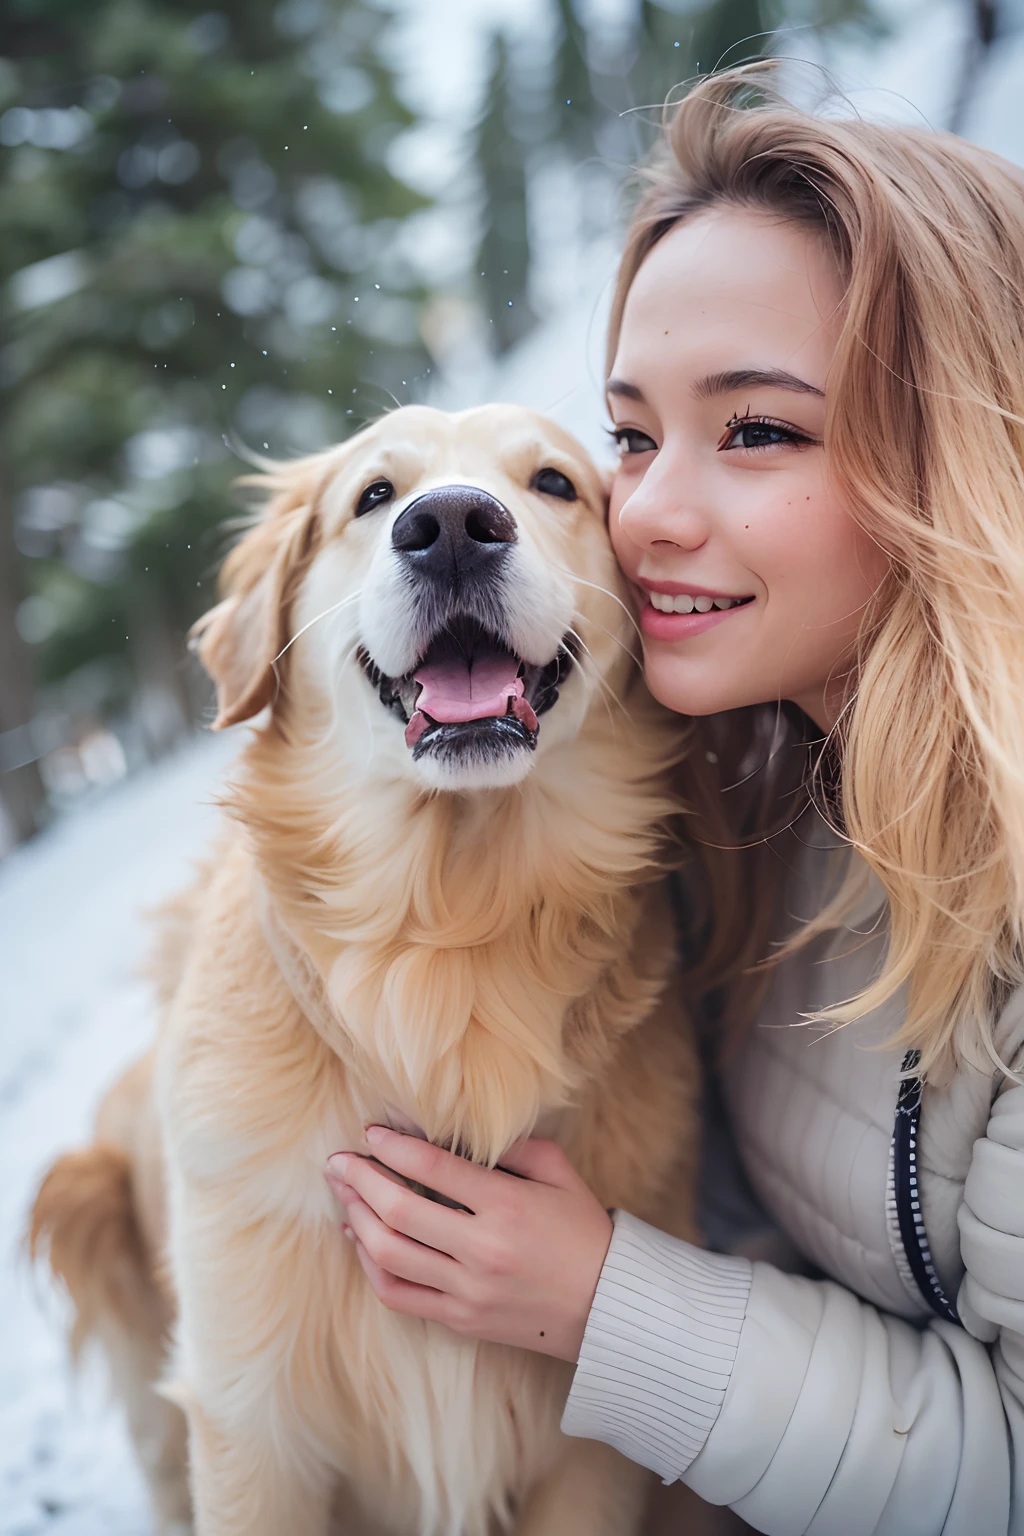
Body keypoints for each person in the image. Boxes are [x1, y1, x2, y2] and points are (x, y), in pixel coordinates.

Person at [323, 64, 1024, 1534]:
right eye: (632, 435)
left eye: (756, 429)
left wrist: (602, 1301)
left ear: (960, 454)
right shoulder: (717, 778)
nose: (643, 513)